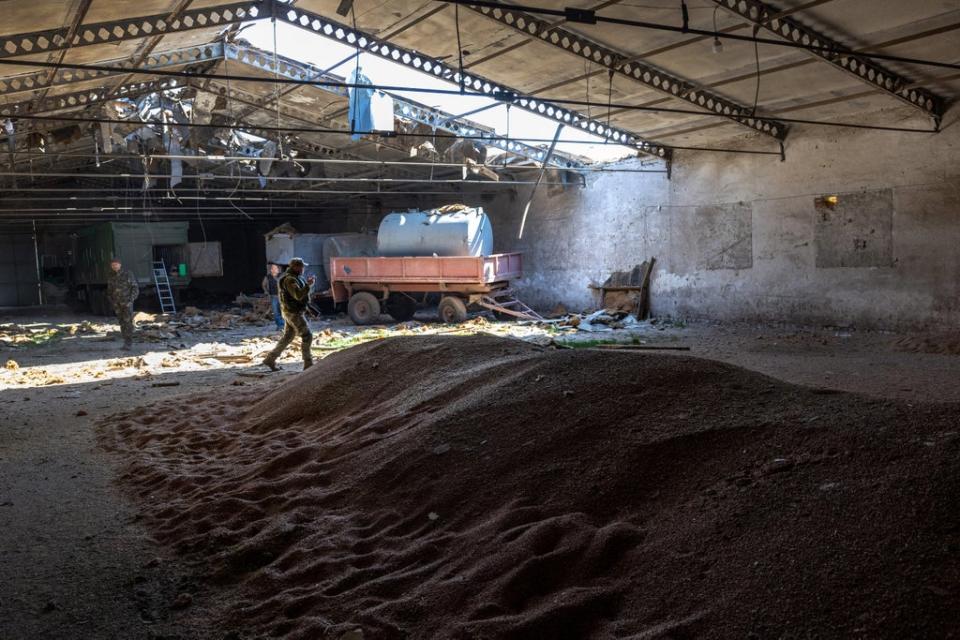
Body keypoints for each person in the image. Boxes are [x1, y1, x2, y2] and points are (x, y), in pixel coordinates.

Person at [262, 258, 315, 371]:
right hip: (293, 313)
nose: (303, 269)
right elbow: (298, 295)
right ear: (295, 267)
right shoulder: (290, 280)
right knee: (307, 336)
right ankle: (308, 363)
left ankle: (270, 359)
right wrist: (308, 285)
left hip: (290, 312)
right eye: (301, 266)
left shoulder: (295, 278)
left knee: (288, 337)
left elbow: (300, 297)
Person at [106, 257, 139, 350]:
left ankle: (129, 343)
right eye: (112, 265)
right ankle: (125, 342)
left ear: (120, 265)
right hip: (117, 305)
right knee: (122, 323)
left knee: (128, 323)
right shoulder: (111, 276)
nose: (114, 266)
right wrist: (112, 302)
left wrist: (131, 300)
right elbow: (109, 291)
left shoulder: (127, 274)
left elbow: (135, 288)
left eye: (116, 264)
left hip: (127, 303)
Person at [261, 263, 284, 331]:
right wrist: (266, 292)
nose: (273, 270)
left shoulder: (282, 276)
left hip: (282, 296)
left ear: (278, 270)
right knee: (276, 312)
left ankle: (284, 325)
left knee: (282, 311)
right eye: (272, 268)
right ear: (270, 270)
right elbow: (263, 285)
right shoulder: (267, 277)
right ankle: (280, 325)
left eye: (275, 268)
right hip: (273, 296)